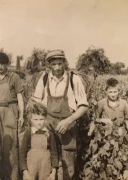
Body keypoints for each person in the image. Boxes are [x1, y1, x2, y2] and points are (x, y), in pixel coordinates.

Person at [32, 49, 89, 180]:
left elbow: (84, 106)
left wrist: (68, 121)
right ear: (49, 65)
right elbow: (36, 103)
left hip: (68, 128)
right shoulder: (44, 79)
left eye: (59, 63)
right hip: (49, 126)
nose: (57, 68)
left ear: (64, 62)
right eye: (54, 64)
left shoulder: (74, 79)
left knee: (68, 165)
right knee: (48, 162)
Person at [0, 52, 24, 180]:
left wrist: (22, 115)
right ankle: (0, 176)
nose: (0, 67)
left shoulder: (14, 77)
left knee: (11, 145)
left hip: (10, 110)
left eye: (3, 64)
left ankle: (13, 177)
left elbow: (20, 97)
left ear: (6, 64)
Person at [89, 78, 128, 144]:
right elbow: (95, 119)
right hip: (106, 134)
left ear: (118, 91)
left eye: (115, 92)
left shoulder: (124, 103)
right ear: (106, 92)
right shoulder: (101, 103)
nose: (113, 95)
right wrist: (104, 120)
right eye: (110, 92)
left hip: (120, 133)